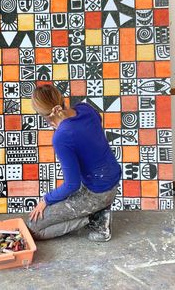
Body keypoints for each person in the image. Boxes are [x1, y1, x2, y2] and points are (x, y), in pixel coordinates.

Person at [25, 84, 122, 242]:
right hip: (111, 178)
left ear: (46, 116)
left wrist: (46, 200)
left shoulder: (61, 137)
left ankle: (95, 218)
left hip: (98, 193)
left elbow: (72, 185)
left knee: (34, 228)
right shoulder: (86, 109)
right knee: (53, 208)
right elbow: (94, 125)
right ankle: (97, 211)